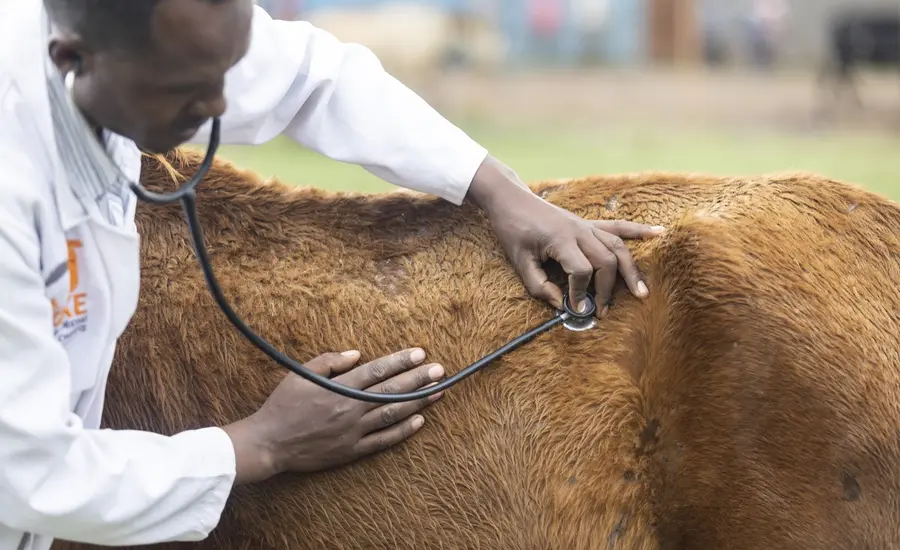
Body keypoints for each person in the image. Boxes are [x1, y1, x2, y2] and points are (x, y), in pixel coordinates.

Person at [0, 0, 663, 548]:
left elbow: (315, 78)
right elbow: (28, 472)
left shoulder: (162, 36)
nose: (219, 105)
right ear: (70, 60)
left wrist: (496, 189)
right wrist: (260, 445)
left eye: (228, 72)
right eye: (186, 91)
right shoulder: (12, 180)